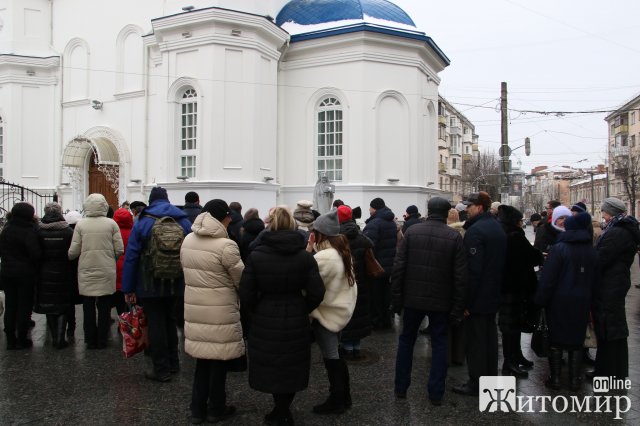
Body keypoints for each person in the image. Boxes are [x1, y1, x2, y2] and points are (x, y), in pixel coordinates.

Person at [239, 206, 325, 426]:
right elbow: (317, 292)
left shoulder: (257, 255)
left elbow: (246, 292)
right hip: (295, 312)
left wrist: (257, 309)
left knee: (272, 363)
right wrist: (303, 307)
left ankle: (279, 409)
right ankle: (284, 408)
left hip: (265, 312)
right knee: (291, 364)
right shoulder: (304, 257)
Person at [391, 197, 467, 405]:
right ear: (445, 213)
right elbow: (460, 277)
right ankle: (435, 392)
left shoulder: (412, 233)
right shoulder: (454, 237)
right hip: (441, 301)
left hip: (412, 298)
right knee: (440, 343)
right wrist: (458, 307)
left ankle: (400, 387)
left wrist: (396, 299)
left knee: (406, 340)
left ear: (429, 211)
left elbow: (399, 267)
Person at [181, 199, 245, 424]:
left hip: (195, 308)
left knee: (202, 361)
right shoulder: (226, 246)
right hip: (219, 310)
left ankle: (197, 409)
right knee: (218, 362)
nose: (230, 220)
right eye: (228, 217)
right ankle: (216, 408)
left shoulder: (188, 240)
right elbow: (241, 279)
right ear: (221, 218)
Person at [122, 187, 192, 381]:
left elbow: (132, 256)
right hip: (176, 281)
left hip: (149, 282)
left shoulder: (143, 221)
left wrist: (127, 287)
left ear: (151, 201)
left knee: (155, 324)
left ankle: (160, 369)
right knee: (170, 321)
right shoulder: (183, 220)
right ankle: (174, 363)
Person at [535, 213, 598, 390]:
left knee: (556, 341)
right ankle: (574, 379)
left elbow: (548, 279)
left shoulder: (559, 248)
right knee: (576, 341)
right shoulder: (591, 250)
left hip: (559, 301)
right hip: (583, 301)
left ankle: (555, 379)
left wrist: (540, 300)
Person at [452, 192, 506, 396]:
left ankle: (476, 382)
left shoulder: (476, 232)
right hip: (493, 293)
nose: (466, 209)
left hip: (479, 297)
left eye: (470, 206)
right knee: (489, 339)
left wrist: (466, 302)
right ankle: (490, 378)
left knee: (476, 341)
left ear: (480, 208)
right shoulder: (496, 227)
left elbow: (473, 272)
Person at [307, 209, 357, 415]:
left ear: (321, 234)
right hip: (339, 312)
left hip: (326, 314)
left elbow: (310, 282)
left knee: (331, 358)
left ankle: (337, 400)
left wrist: (308, 251)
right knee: (335, 355)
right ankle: (344, 397)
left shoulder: (325, 257)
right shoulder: (340, 252)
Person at [591, 197, 640, 380]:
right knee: (615, 326)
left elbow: (602, 258)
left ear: (610, 212)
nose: (602, 216)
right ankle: (613, 370)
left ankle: (608, 371)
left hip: (610, 284)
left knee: (609, 327)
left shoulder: (617, 232)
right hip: (616, 282)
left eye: (604, 211)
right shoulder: (622, 229)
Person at [68, 194, 124, 349]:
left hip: (86, 269)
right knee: (105, 306)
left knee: (88, 306)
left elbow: (73, 252)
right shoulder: (111, 223)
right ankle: (103, 339)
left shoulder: (81, 225)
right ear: (104, 206)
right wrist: (109, 259)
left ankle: (90, 339)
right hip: (106, 269)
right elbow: (119, 249)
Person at [497, 205, 543, 377]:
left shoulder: (502, 232)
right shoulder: (515, 236)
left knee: (511, 326)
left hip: (506, 286)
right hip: (514, 287)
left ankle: (516, 357)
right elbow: (532, 256)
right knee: (512, 327)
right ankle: (511, 363)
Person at [0, 202, 41, 350]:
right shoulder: (29, 231)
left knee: (11, 305)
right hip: (25, 274)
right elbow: (35, 253)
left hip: (6, 273)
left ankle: (10, 339)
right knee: (24, 305)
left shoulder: (6, 229)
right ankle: (22, 339)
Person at [36, 202, 75, 349]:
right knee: (62, 304)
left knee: (49, 304)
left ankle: (54, 337)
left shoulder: (39, 230)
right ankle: (60, 338)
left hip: (45, 272)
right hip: (64, 271)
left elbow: (35, 252)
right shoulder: (67, 231)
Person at [337, 205, 374, 359]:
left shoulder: (336, 237)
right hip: (361, 282)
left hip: (343, 282)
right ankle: (356, 347)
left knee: (345, 313)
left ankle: (347, 348)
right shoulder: (361, 235)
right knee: (358, 312)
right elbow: (371, 247)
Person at [363, 197, 397, 329]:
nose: (369, 210)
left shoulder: (374, 223)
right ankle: (386, 320)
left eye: (370, 208)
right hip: (389, 265)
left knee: (375, 295)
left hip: (376, 266)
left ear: (374, 208)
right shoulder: (391, 222)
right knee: (385, 294)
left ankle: (377, 321)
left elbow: (369, 246)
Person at [63, 210, 83, 339]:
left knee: (66, 300)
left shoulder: (64, 232)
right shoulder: (78, 232)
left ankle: (66, 325)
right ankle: (71, 325)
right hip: (77, 270)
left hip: (63, 270)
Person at [112, 207, 133, 316]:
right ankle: (127, 317)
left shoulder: (113, 232)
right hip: (129, 265)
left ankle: (121, 317)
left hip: (115, 265)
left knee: (117, 294)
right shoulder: (133, 231)